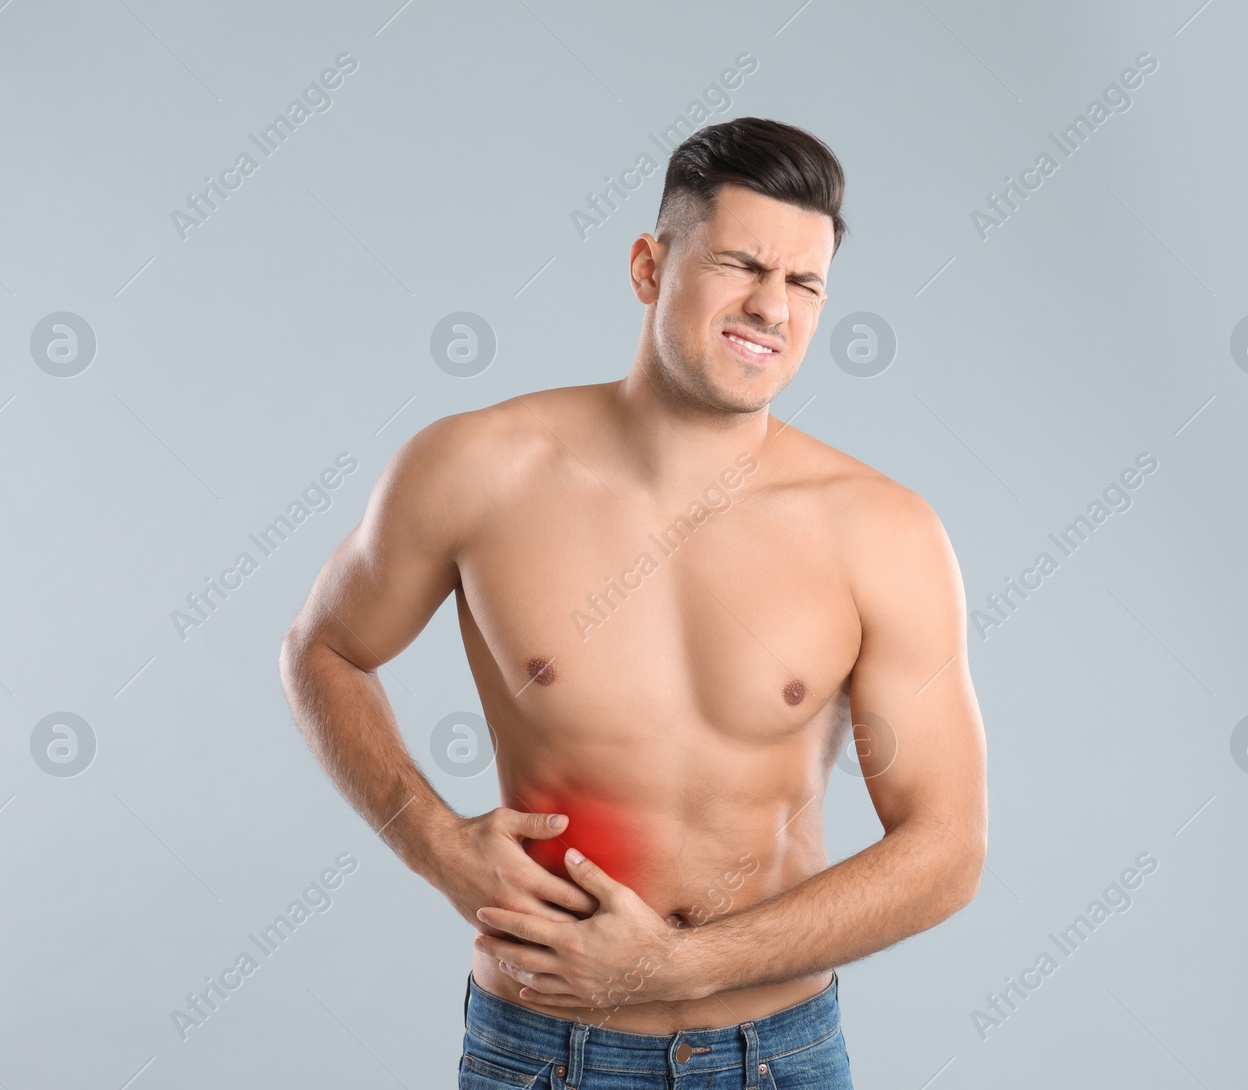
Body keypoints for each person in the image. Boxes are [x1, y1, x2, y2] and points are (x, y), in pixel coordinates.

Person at [280, 116, 988, 1088]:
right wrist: (434, 843)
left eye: (803, 283)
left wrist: (677, 965)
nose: (770, 306)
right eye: (740, 264)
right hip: (543, 1048)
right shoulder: (474, 469)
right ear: (648, 266)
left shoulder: (881, 531)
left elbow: (945, 849)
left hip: (772, 1052)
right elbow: (323, 649)